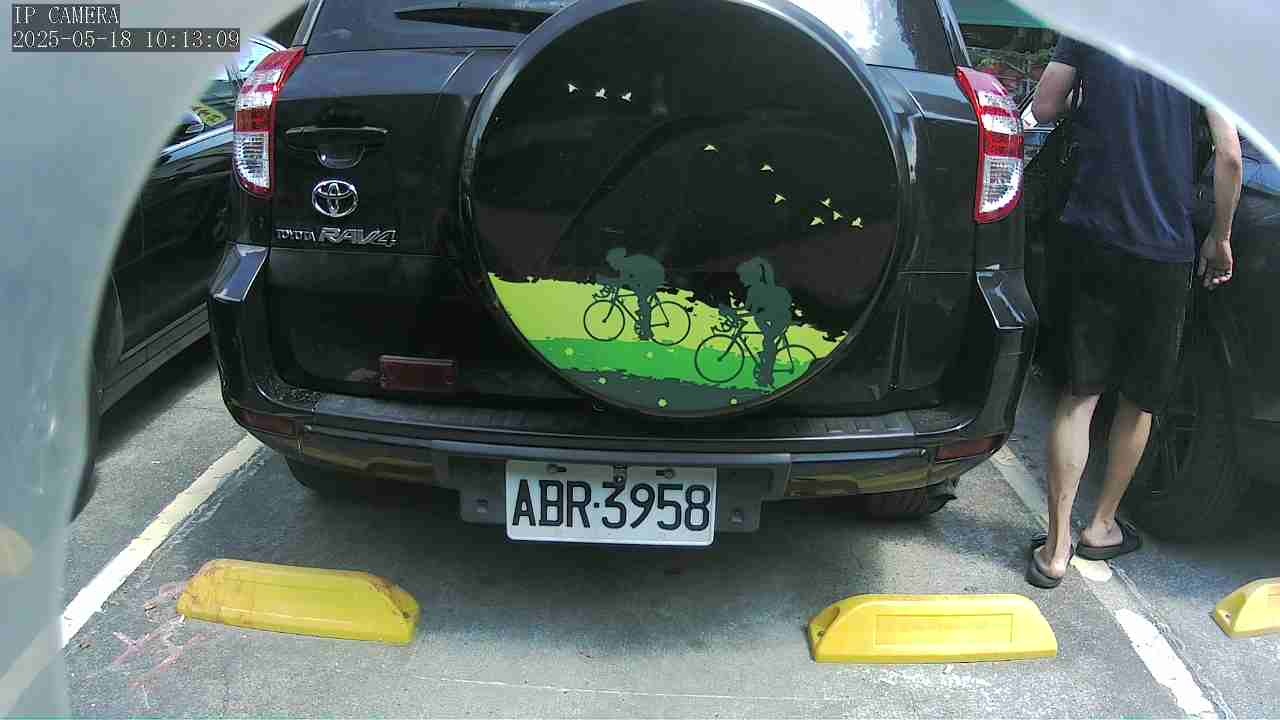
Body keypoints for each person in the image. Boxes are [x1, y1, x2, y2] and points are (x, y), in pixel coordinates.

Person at [1023, 37, 1243, 588]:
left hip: (1092, 235)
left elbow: (1044, 106)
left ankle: (1054, 549)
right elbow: (1230, 157)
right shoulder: (1203, 48)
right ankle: (1101, 527)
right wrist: (1220, 237)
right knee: (1139, 400)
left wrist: (1092, 103)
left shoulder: (1098, 24)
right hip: (1164, 251)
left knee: (1079, 394)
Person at [736, 257, 792, 387]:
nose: (741, 279)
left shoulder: (760, 290)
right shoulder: (753, 290)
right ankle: (766, 358)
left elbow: (751, 312)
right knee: (766, 339)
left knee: (768, 341)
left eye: (742, 276)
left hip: (781, 318)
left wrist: (736, 314)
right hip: (771, 317)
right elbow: (747, 309)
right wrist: (732, 311)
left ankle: (768, 375)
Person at [597, 247, 666, 340]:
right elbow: (621, 281)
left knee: (642, 299)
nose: (611, 265)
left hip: (654, 275)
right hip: (651, 273)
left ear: (617, 260)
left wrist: (605, 280)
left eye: (611, 263)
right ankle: (643, 310)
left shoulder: (626, 265)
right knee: (635, 286)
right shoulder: (625, 265)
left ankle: (647, 331)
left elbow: (621, 281)